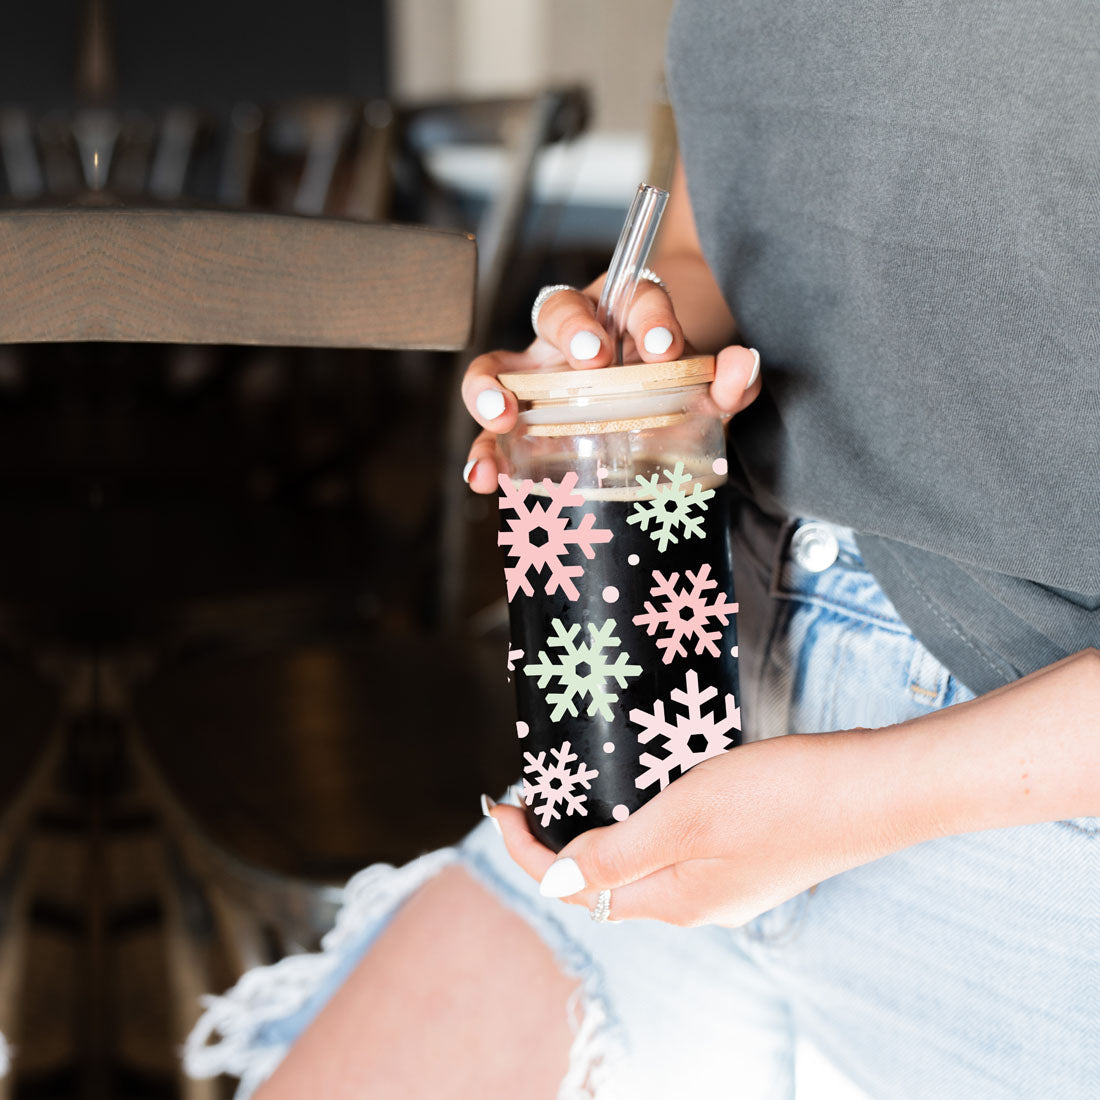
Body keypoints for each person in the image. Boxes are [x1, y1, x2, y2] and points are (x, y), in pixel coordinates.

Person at [185, 2, 1098, 1096]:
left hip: (1031, 801)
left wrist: (858, 800)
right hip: (682, 719)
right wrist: (624, 360)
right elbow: (707, 248)